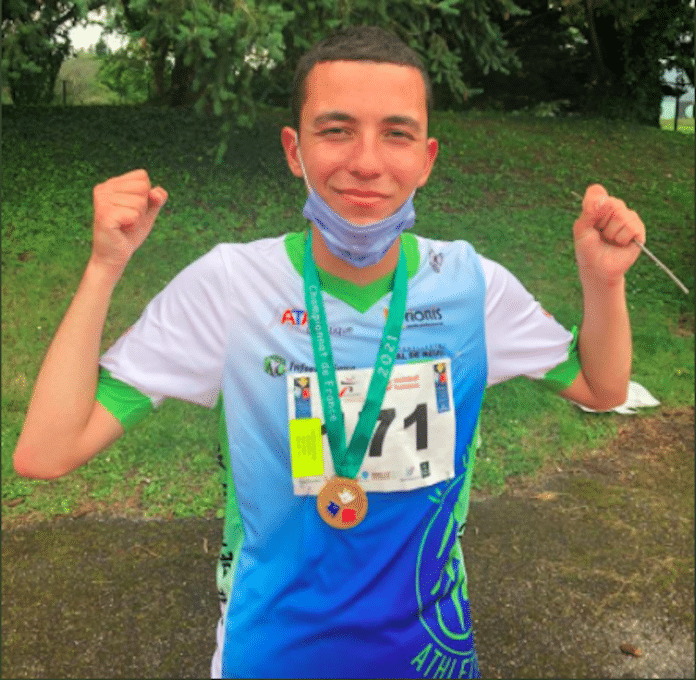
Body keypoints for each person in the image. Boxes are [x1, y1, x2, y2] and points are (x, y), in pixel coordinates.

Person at [14, 25, 645, 680]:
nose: (367, 163)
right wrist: (104, 267)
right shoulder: (232, 286)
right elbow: (46, 452)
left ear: (427, 158)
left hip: (430, 653)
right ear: (295, 149)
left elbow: (603, 388)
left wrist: (603, 282)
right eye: (337, 130)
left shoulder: (473, 288)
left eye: (396, 134)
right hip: (272, 653)